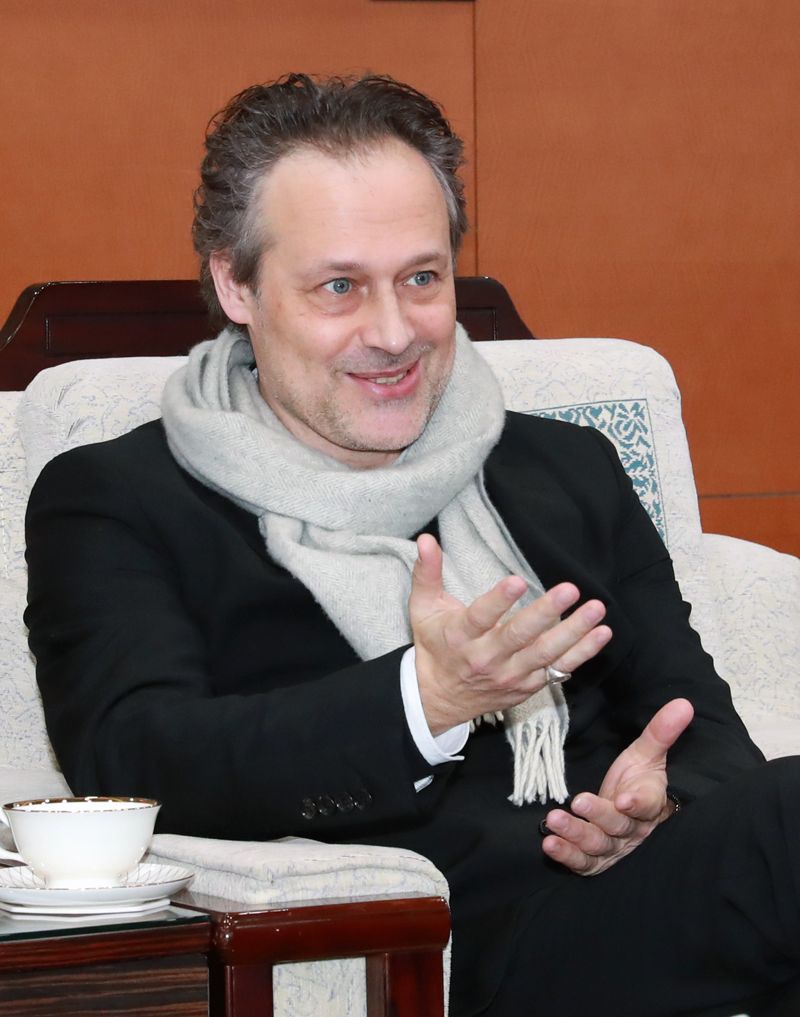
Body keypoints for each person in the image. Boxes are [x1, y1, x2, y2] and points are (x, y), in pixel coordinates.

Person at [25, 74, 799, 1017]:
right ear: (236, 283)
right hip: (448, 946)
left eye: (422, 279)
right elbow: (134, 760)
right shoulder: (121, 498)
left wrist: (662, 808)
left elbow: (704, 727)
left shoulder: (562, 467)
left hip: (667, 891)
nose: (393, 334)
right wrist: (426, 700)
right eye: (340, 287)